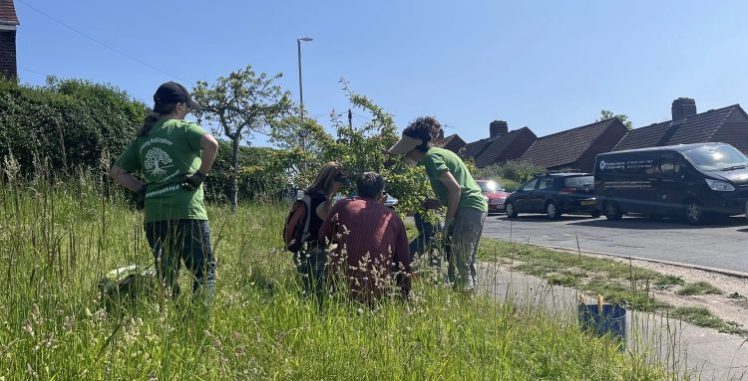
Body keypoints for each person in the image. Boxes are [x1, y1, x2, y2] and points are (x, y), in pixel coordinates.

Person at [110, 82, 219, 304]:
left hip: (155, 216)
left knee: (167, 274)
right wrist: (200, 176)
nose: (187, 113)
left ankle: (171, 318)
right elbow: (211, 144)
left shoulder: (144, 137)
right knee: (204, 271)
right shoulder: (183, 129)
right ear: (179, 106)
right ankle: (198, 322)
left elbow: (117, 172)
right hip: (188, 213)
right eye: (187, 108)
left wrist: (142, 188)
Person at [388, 116, 487, 293]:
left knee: (459, 258)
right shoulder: (437, 154)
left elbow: (456, 190)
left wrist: (447, 223)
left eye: (405, 151)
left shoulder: (431, 159)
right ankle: (466, 296)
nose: (404, 155)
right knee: (465, 257)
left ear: (413, 148)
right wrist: (436, 202)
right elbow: (455, 188)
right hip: (474, 207)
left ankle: (465, 297)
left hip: (469, 208)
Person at [320, 172, 411, 304]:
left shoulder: (342, 205)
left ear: (358, 189)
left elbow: (322, 237)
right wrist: (405, 296)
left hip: (339, 289)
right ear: (381, 192)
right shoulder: (393, 217)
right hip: (376, 293)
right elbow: (404, 262)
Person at [285, 162, 349, 297]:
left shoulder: (307, 196)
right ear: (330, 180)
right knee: (317, 296)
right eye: (339, 181)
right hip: (316, 255)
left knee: (306, 292)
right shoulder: (323, 204)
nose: (340, 185)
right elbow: (336, 231)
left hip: (300, 252)